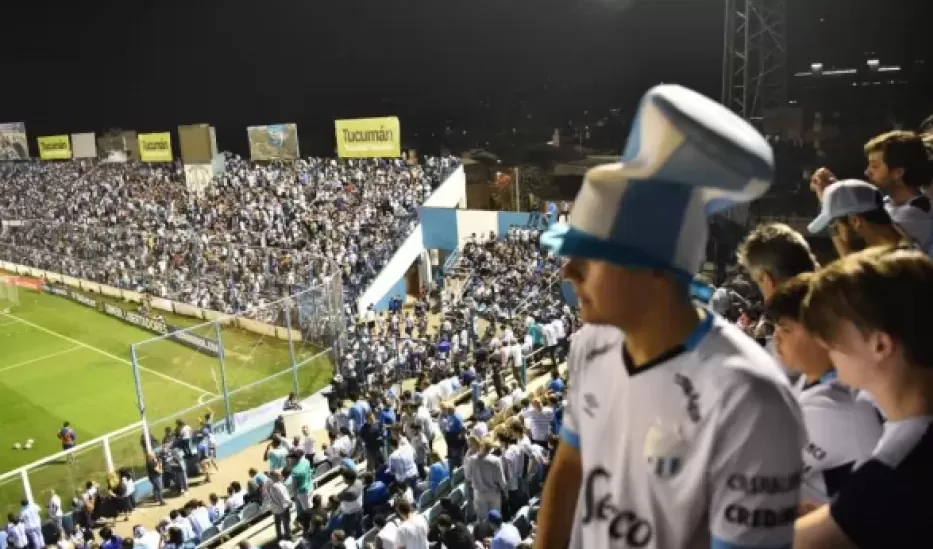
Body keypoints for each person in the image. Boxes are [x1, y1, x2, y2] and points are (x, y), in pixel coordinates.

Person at [535, 84, 806, 549]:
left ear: (657, 272)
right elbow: (568, 472)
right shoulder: (589, 344)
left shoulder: (750, 398)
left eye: (591, 256)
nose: (568, 270)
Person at [794, 247, 933, 549]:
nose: (822, 341)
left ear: (880, 344)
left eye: (832, 331)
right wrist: (838, 518)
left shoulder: (900, 465)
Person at [765, 273, 882, 507]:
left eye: (786, 329)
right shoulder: (810, 381)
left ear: (823, 335)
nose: (776, 339)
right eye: (775, 328)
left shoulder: (837, 408)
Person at [807, 179, 914, 257]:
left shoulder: (895, 265)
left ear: (855, 221)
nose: (837, 235)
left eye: (834, 226)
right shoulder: (901, 247)